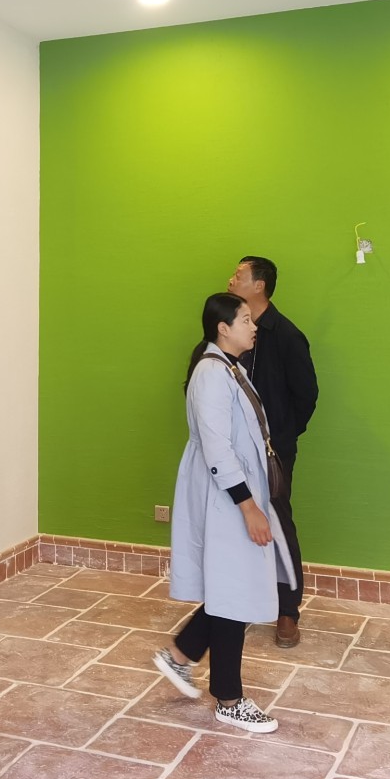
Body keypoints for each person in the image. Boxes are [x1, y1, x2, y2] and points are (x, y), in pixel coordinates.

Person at [153, 292, 295, 735]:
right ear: (223, 328)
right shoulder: (212, 374)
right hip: (228, 497)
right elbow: (218, 448)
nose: (253, 327)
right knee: (234, 591)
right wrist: (248, 506)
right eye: (246, 320)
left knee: (232, 586)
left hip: (235, 493)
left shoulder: (230, 369)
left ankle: (181, 655)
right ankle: (229, 700)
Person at [227, 257, 317, 648]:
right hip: (231, 448)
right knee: (235, 520)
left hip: (272, 450)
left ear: (259, 286)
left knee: (277, 522)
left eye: (238, 275)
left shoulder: (286, 335)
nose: (231, 280)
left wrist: (279, 436)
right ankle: (243, 599)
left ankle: (287, 611)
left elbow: (306, 395)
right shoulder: (228, 330)